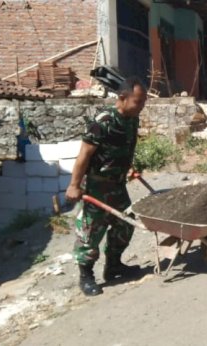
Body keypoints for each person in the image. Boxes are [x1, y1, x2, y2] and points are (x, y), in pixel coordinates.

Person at [66, 77, 147, 296]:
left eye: (143, 102)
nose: (141, 107)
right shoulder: (102, 122)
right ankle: (86, 276)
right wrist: (74, 185)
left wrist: (128, 167)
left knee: (125, 225)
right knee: (91, 232)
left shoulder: (131, 120)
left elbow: (123, 147)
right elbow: (85, 154)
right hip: (97, 187)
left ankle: (113, 266)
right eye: (138, 102)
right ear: (122, 98)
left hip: (117, 185)